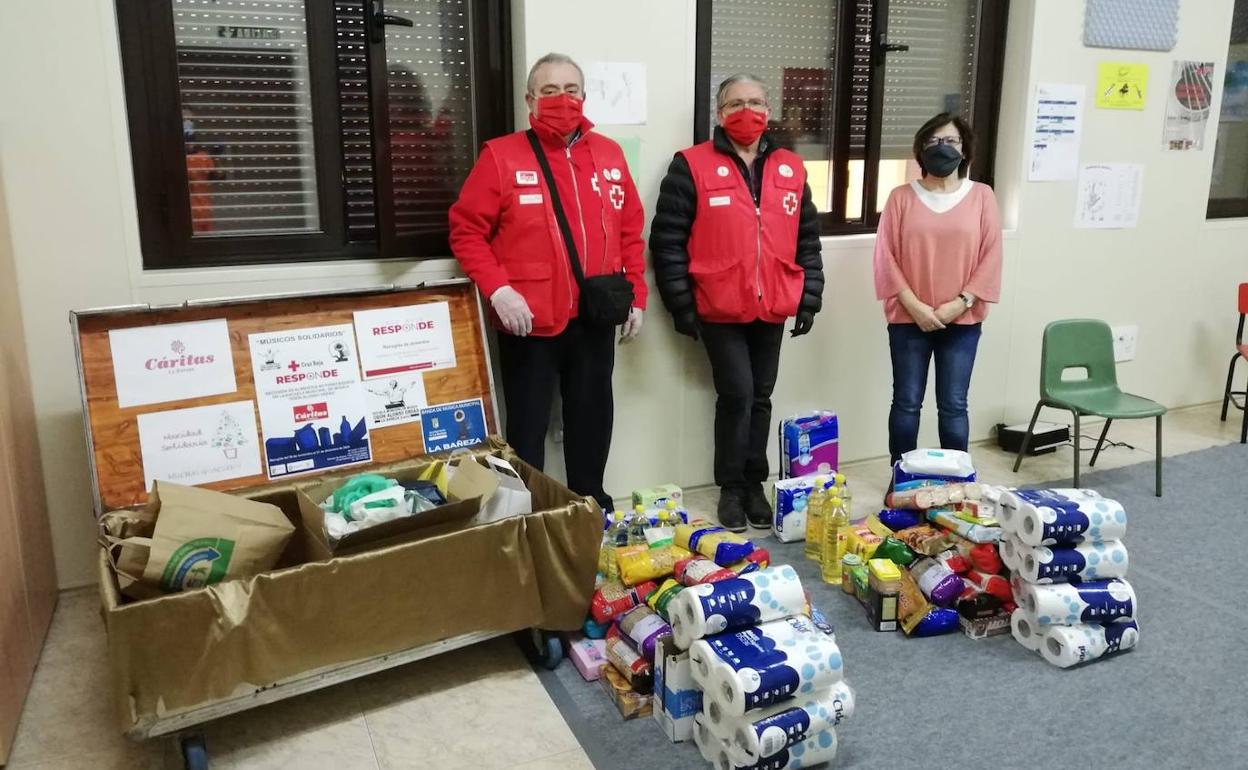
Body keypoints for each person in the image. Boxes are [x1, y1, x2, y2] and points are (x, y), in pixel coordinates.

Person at [449, 52, 646, 510]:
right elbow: (466, 231)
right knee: (528, 427)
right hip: (529, 320)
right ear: (530, 99)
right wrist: (498, 290)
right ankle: (529, 513)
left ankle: (588, 503)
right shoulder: (501, 155)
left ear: (584, 95)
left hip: (595, 315)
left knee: (592, 419)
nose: (562, 99)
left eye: (571, 90)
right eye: (550, 91)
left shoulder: (609, 155)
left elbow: (629, 231)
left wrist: (635, 293)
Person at [650, 74, 824, 532]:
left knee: (760, 396)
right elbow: (667, 241)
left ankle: (754, 484)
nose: (747, 112)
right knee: (738, 394)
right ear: (720, 112)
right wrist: (682, 307)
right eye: (736, 103)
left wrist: (808, 298)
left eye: (756, 102)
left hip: (774, 303)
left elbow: (806, 238)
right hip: (718, 306)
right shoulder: (691, 165)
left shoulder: (790, 168)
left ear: (768, 111)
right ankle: (730, 486)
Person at [872, 113, 1003, 466]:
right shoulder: (901, 197)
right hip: (907, 318)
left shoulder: (982, 196)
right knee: (906, 402)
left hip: (962, 320)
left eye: (951, 142)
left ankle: (956, 484)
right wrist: (915, 307)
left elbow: (991, 255)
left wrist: (960, 303)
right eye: (933, 142)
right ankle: (901, 478)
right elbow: (886, 256)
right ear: (921, 149)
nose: (942, 149)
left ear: (965, 149)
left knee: (954, 405)